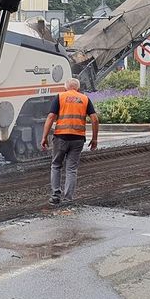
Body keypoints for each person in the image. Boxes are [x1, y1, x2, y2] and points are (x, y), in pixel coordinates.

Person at [41, 78, 99, 206]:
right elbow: (94, 119)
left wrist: (44, 137)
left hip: (61, 137)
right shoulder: (84, 99)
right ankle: (68, 199)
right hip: (78, 138)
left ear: (65, 88)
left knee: (56, 165)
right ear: (78, 88)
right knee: (71, 169)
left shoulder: (60, 97)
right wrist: (94, 138)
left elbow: (51, 117)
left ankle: (55, 196)